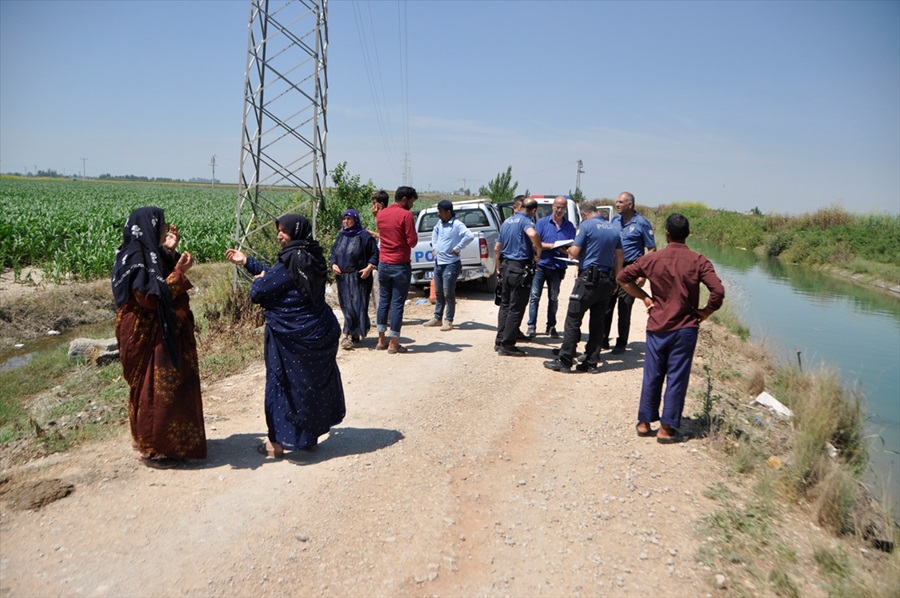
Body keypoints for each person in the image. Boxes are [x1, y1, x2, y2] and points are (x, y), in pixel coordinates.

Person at [225, 214, 345, 457]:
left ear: (295, 232)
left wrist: (257, 282)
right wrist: (248, 262)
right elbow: (282, 278)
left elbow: (260, 291)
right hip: (318, 331)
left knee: (284, 386)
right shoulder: (310, 255)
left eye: (283, 231)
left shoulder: (291, 259)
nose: (280, 235)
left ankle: (277, 444)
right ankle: (308, 437)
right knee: (308, 386)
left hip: (291, 337)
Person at [112, 207, 206, 468]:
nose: (165, 231)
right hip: (146, 332)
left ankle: (148, 438)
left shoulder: (144, 252)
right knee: (152, 389)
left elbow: (156, 277)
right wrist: (179, 273)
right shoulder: (135, 257)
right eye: (161, 228)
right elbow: (150, 298)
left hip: (154, 329)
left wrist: (168, 253)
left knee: (152, 388)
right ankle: (153, 448)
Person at [617, 213, 724, 443]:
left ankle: (644, 423)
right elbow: (718, 291)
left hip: (658, 326)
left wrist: (645, 298)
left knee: (652, 374)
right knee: (676, 377)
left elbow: (623, 277)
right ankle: (666, 429)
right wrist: (706, 311)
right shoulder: (698, 261)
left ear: (666, 234)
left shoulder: (654, 259)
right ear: (687, 234)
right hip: (685, 327)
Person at [544, 202, 623, 373]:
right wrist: (617, 279)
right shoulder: (614, 228)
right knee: (598, 322)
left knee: (573, 318)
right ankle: (591, 361)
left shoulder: (586, 225)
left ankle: (565, 360)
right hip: (607, 280)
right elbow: (619, 257)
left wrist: (566, 249)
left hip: (588, 279)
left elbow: (575, 252)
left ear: (584, 214)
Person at [604, 192, 656, 354]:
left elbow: (652, 250)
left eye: (620, 202)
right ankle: (603, 339)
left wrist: (644, 274)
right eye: (617, 201)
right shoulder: (614, 221)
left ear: (630, 204)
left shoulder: (641, 223)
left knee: (624, 308)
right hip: (613, 269)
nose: (617, 204)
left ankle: (621, 342)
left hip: (631, 270)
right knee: (606, 306)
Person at [494, 197, 542, 356]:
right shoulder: (526, 221)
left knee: (505, 306)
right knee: (516, 308)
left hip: (506, 266)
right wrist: (539, 249)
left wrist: (498, 268)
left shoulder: (507, 222)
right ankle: (507, 345)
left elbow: (497, 248)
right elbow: (533, 233)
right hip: (519, 268)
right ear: (533, 211)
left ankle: (500, 340)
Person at [375, 186, 418, 354]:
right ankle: (393, 343)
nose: (412, 206)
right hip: (400, 265)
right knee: (397, 304)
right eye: (412, 202)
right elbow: (412, 242)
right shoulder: (406, 215)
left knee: (383, 301)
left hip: (383, 264)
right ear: (405, 199)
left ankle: (381, 340)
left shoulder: (381, 214)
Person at [526, 195, 576, 339]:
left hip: (558, 266)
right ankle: (531, 326)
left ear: (565, 209)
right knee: (535, 296)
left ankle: (551, 326)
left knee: (553, 298)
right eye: (557, 207)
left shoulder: (569, 227)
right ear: (553, 206)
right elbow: (536, 243)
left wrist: (561, 249)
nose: (559, 210)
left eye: (562, 207)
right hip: (541, 265)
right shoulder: (542, 223)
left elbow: (571, 247)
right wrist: (554, 245)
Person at [330, 208, 379, 349]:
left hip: (359, 277)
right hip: (342, 278)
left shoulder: (364, 236)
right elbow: (334, 253)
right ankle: (355, 333)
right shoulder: (341, 236)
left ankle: (345, 335)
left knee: (357, 305)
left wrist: (369, 267)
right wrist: (333, 264)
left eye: (349, 219)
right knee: (346, 305)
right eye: (344, 219)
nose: (346, 222)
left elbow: (375, 254)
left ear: (355, 220)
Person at [422, 200, 474, 332]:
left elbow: (469, 236)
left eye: (440, 212)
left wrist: (458, 247)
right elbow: (434, 234)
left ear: (448, 212)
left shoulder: (457, 224)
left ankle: (448, 320)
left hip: (451, 264)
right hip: (438, 263)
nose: (438, 214)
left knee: (448, 293)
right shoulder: (440, 223)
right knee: (439, 292)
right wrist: (434, 247)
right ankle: (437, 318)